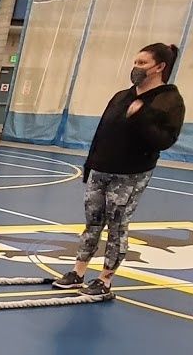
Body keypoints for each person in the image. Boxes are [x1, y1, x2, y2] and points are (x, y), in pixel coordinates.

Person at [53, 42, 185, 296]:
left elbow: (164, 141)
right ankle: (77, 272)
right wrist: (90, 164)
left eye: (143, 63)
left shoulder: (169, 100)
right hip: (101, 169)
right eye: (135, 62)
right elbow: (103, 132)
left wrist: (142, 117)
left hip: (129, 174)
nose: (137, 68)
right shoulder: (122, 96)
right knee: (92, 223)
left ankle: (105, 279)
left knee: (117, 226)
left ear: (159, 67)